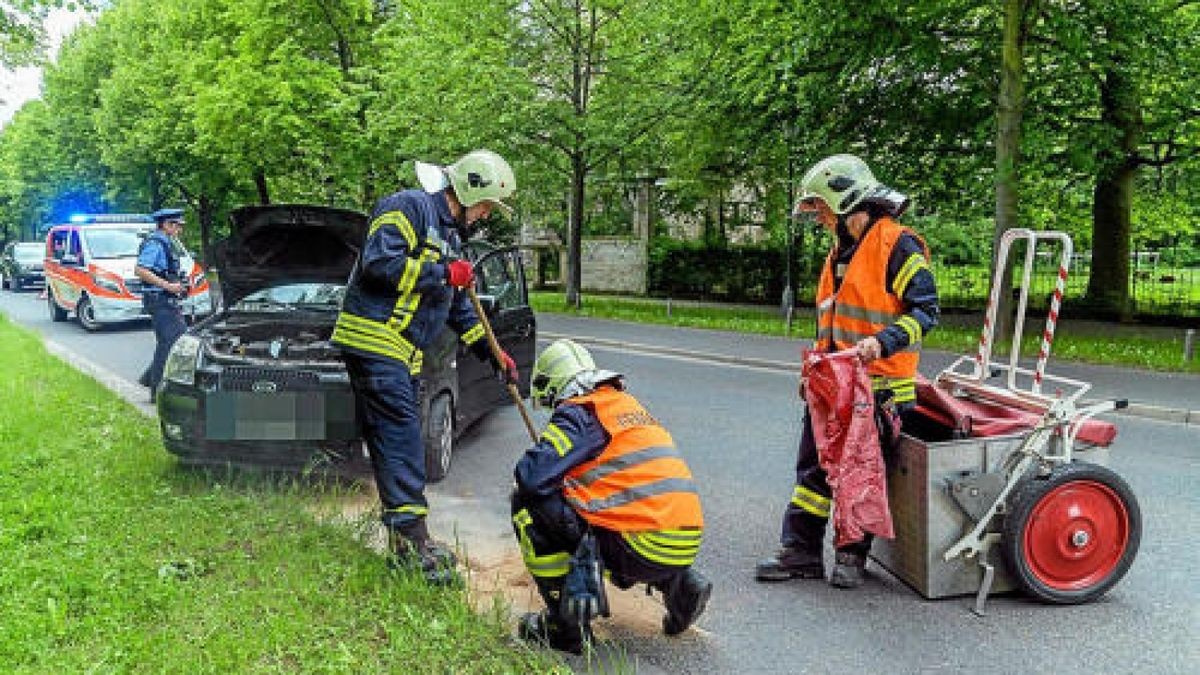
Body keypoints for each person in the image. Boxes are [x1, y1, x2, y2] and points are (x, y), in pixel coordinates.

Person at [332, 149, 519, 585]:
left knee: (400, 443)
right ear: (471, 189)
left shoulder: (452, 239)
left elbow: (459, 311)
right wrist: (442, 273)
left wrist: (495, 356)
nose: (487, 216)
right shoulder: (407, 207)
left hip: (400, 353)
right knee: (402, 443)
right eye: (488, 206)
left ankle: (411, 539)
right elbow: (379, 264)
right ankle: (409, 550)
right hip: (374, 341)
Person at [755, 154, 940, 589]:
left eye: (819, 208)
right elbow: (831, 323)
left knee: (861, 474)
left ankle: (852, 557)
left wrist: (883, 342)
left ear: (844, 203)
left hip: (882, 386)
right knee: (814, 470)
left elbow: (926, 313)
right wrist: (813, 372)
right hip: (834, 384)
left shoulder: (899, 245)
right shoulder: (841, 252)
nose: (817, 218)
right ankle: (799, 551)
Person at [512, 339, 712, 654]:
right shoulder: (624, 406)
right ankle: (682, 585)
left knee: (527, 504)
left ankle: (566, 626)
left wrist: (550, 458)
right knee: (603, 510)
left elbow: (530, 477)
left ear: (555, 387)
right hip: (683, 543)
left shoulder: (580, 412)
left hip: (641, 545)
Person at [136, 208, 189, 400]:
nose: (180, 229)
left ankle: (150, 379)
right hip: (160, 300)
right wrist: (168, 286)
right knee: (170, 343)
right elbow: (141, 270)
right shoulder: (156, 243)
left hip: (163, 300)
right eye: (177, 225)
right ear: (166, 224)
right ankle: (156, 391)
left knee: (173, 341)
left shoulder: (165, 242)